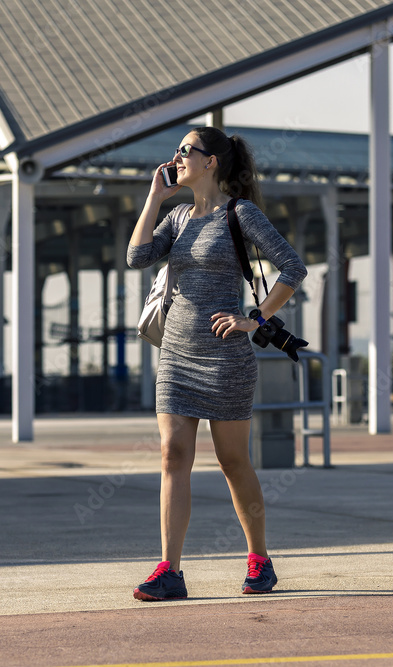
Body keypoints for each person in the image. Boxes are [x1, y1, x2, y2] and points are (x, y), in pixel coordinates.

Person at [126, 126, 307, 601]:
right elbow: (136, 256)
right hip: (176, 357)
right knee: (173, 456)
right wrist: (154, 198)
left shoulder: (240, 214)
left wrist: (256, 318)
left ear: (212, 163)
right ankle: (170, 570)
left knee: (232, 461)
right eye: (178, 150)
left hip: (226, 358)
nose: (178, 157)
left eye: (187, 150)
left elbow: (292, 267)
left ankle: (259, 561)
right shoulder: (179, 217)